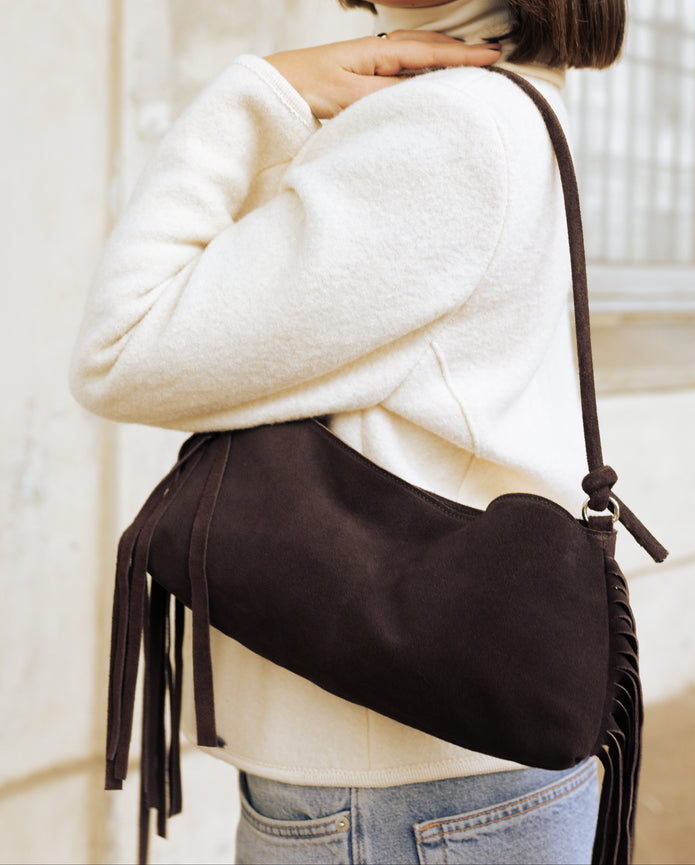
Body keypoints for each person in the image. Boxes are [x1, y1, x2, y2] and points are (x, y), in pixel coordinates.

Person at [70, 0, 625, 861]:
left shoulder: (447, 130)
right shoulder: (513, 102)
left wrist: (256, 93)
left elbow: (123, 345)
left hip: (391, 788)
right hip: (443, 775)